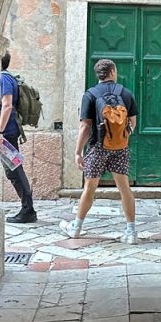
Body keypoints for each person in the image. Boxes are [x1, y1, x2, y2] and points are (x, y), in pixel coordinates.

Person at [61, 58, 139, 244]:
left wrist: (78, 152)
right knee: (124, 188)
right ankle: (131, 232)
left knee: (90, 188)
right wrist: (121, 138)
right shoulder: (126, 93)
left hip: (97, 147)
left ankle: (76, 228)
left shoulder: (90, 94)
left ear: (98, 75)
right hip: (120, 148)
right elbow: (133, 123)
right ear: (112, 72)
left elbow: (85, 127)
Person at [0, 51, 36, 223]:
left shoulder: (3, 78)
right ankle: (28, 208)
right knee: (14, 169)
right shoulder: (9, 77)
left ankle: (28, 209)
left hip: (6, 132)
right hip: (8, 130)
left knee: (14, 170)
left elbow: (6, 105)